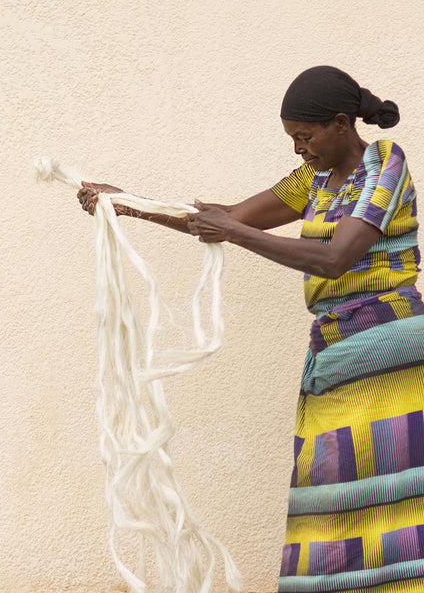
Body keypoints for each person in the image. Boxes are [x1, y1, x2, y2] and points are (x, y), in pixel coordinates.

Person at [78, 66, 424, 592]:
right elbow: (230, 215)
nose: (298, 151)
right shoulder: (314, 179)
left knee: (383, 488)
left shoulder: (385, 163)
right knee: (331, 489)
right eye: (292, 139)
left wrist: (234, 232)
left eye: (304, 137)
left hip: (385, 344)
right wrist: (126, 204)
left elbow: (335, 258)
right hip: (336, 348)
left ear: (339, 124)